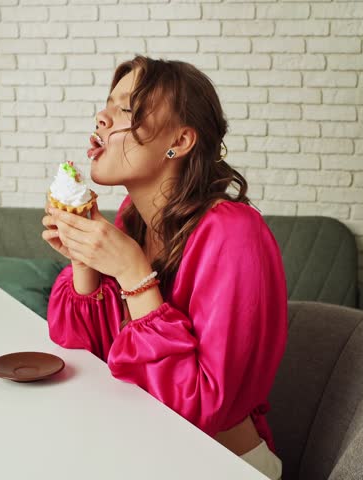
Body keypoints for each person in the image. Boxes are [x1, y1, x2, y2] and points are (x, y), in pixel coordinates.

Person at [42, 55, 287, 480]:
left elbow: (202, 408)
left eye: (126, 110)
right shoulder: (130, 220)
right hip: (145, 451)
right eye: (106, 105)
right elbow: (88, 356)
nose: (102, 117)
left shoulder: (233, 233)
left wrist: (135, 275)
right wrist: (85, 258)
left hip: (222, 466)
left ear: (180, 140)